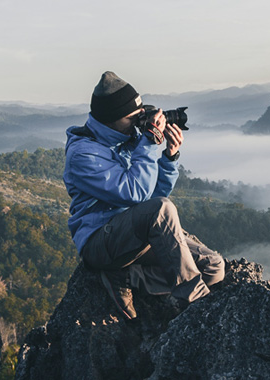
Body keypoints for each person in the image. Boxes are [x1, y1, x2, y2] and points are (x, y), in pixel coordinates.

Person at [63, 71, 225, 320]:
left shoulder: (128, 139)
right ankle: (196, 305)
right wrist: (149, 143)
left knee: (213, 267)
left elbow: (152, 197)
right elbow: (136, 194)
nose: (139, 122)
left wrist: (169, 158)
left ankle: (127, 277)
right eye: (133, 118)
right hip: (100, 242)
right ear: (111, 119)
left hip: (134, 236)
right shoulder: (83, 154)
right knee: (162, 209)